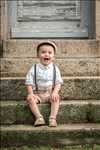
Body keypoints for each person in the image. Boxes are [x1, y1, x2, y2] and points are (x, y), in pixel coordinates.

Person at [25, 41, 63, 127]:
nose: (46, 54)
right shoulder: (34, 68)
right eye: (43, 52)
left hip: (50, 94)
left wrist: (55, 92)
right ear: (38, 55)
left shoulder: (55, 69)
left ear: (53, 56)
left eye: (50, 53)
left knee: (56, 98)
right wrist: (31, 93)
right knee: (29, 99)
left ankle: (52, 118)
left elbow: (58, 82)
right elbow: (29, 82)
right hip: (37, 94)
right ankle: (39, 117)